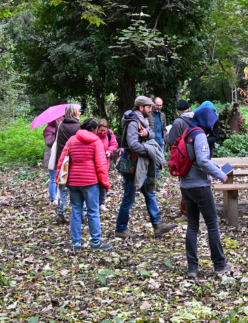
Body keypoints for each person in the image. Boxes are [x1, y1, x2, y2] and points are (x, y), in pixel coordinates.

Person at [178, 105, 232, 278]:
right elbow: (202, 161)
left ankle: (192, 268)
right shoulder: (200, 134)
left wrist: (215, 165)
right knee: (212, 224)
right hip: (199, 186)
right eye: (212, 122)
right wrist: (221, 175)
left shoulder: (189, 132)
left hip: (185, 185)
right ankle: (220, 265)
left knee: (192, 225)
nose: (213, 126)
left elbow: (194, 158)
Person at [115, 96, 176, 238]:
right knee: (129, 198)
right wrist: (149, 151)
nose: (150, 109)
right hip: (132, 166)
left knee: (149, 192)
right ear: (141, 107)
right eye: (148, 107)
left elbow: (152, 134)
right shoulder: (133, 123)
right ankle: (120, 229)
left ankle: (157, 225)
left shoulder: (143, 120)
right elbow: (133, 145)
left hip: (140, 165)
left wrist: (147, 133)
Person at [60, 118, 113, 252]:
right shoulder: (95, 141)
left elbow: (62, 160)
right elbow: (101, 165)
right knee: (93, 211)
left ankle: (76, 244)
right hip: (90, 182)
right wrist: (105, 184)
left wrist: (58, 180)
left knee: (76, 211)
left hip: (73, 181)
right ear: (93, 129)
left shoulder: (72, 140)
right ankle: (95, 242)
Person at [53, 104, 82, 225]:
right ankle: (82, 214)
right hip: (75, 160)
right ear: (74, 112)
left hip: (62, 159)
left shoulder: (60, 125)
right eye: (79, 111)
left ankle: (61, 214)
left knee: (62, 188)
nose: (80, 113)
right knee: (80, 187)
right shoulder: (79, 127)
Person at [95, 119, 118, 206]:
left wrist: (109, 151)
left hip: (105, 162)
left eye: (104, 130)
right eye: (101, 130)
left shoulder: (109, 133)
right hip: (94, 163)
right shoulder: (93, 134)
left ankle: (101, 203)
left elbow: (114, 144)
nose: (103, 132)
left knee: (103, 182)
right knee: (95, 183)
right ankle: (95, 202)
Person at [43, 114, 64, 205]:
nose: (61, 119)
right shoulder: (48, 129)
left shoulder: (61, 127)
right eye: (59, 117)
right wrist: (57, 132)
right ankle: (53, 198)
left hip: (59, 156)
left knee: (59, 177)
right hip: (51, 157)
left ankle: (56, 195)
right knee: (53, 177)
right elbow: (49, 142)